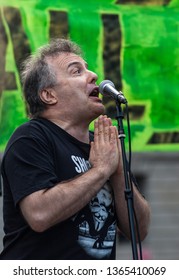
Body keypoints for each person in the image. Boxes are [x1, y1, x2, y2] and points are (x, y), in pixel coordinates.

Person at [0, 38, 150, 260]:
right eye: (76, 71)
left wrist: (118, 171)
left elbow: (139, 231)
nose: (93, 76)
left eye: (88, 68)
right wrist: (100, 170)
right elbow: (39, 214)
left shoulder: (103, 145)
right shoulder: (30, 138)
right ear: (49, 95)